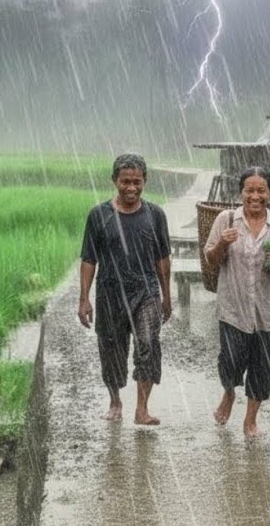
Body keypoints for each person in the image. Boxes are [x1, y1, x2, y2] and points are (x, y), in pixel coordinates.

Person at [203, 166, 270, 438]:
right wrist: (222, 244)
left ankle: (250, 421)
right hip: (233, 307)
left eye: (261, 190)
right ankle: (228, 393)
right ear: (240, 193)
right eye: (249, 190)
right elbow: (210, 258)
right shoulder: (226, 220)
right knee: (230, 361)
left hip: (267, 309)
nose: (255, 196)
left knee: (262, 367)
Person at [78, 153, 172, 425]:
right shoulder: (99, 215)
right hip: (110, 292)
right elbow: (88, 259)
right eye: (125, 182)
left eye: (137, 182)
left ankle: (142, 409)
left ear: (145, 181)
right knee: (111, 349)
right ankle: (115, 400)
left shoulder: (155, 215)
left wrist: (166, 295)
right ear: (114, 181)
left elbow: (162, 259)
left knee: (148, 344)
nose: (131, 188)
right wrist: (84, 299)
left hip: (146, 291)